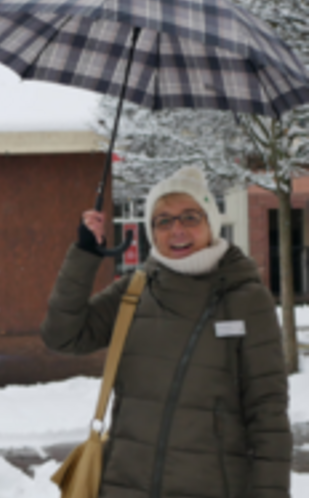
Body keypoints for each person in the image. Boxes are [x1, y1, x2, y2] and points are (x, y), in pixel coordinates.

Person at [41, 166, 291, 498]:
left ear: (210, 223)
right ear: (152, 232)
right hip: (124, 487)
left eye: (190, 217)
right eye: (164, 220)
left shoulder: (246, 299)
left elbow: (268, 414)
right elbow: (62, 335)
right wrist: (85, 255)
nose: (178, 230)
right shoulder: (135, 292)